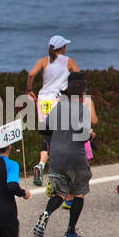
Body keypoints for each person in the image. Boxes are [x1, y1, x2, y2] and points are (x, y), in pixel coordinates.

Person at [32, 73, 97, 237]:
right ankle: (70, 232)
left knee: (60, 193)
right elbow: (82, 136)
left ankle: (46, 213)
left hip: (56, 157)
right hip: (75, 157)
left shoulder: (58, 107)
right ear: (82, 94)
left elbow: (43, 129)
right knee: (79, 194)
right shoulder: (82, 110)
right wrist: (90, 136)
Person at [26, 35, 80, 185]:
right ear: (62, 48)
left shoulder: (43, 61)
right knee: (62, 136)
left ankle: (41, 165)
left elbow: (31, 74)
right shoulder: (68, 61)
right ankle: (57, 173)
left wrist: (29, 89)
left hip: (43, 100)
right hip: (58, 100)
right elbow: (78, 76)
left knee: (48, 136)